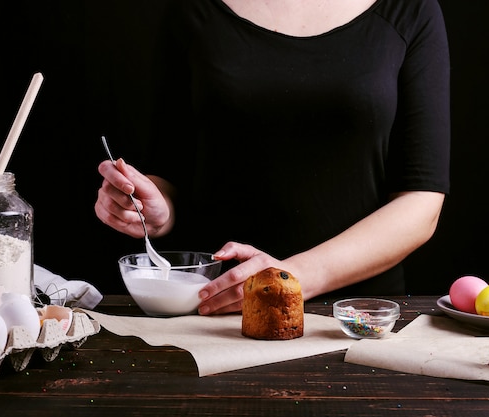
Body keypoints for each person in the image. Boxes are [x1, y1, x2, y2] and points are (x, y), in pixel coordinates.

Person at [95, 0, 450, 315]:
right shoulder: (191, 9)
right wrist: (154, 212)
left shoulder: (411, 9)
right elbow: (171, 172)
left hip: (356, 318)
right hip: (221, 312)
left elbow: (421, 202)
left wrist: (291, 276)